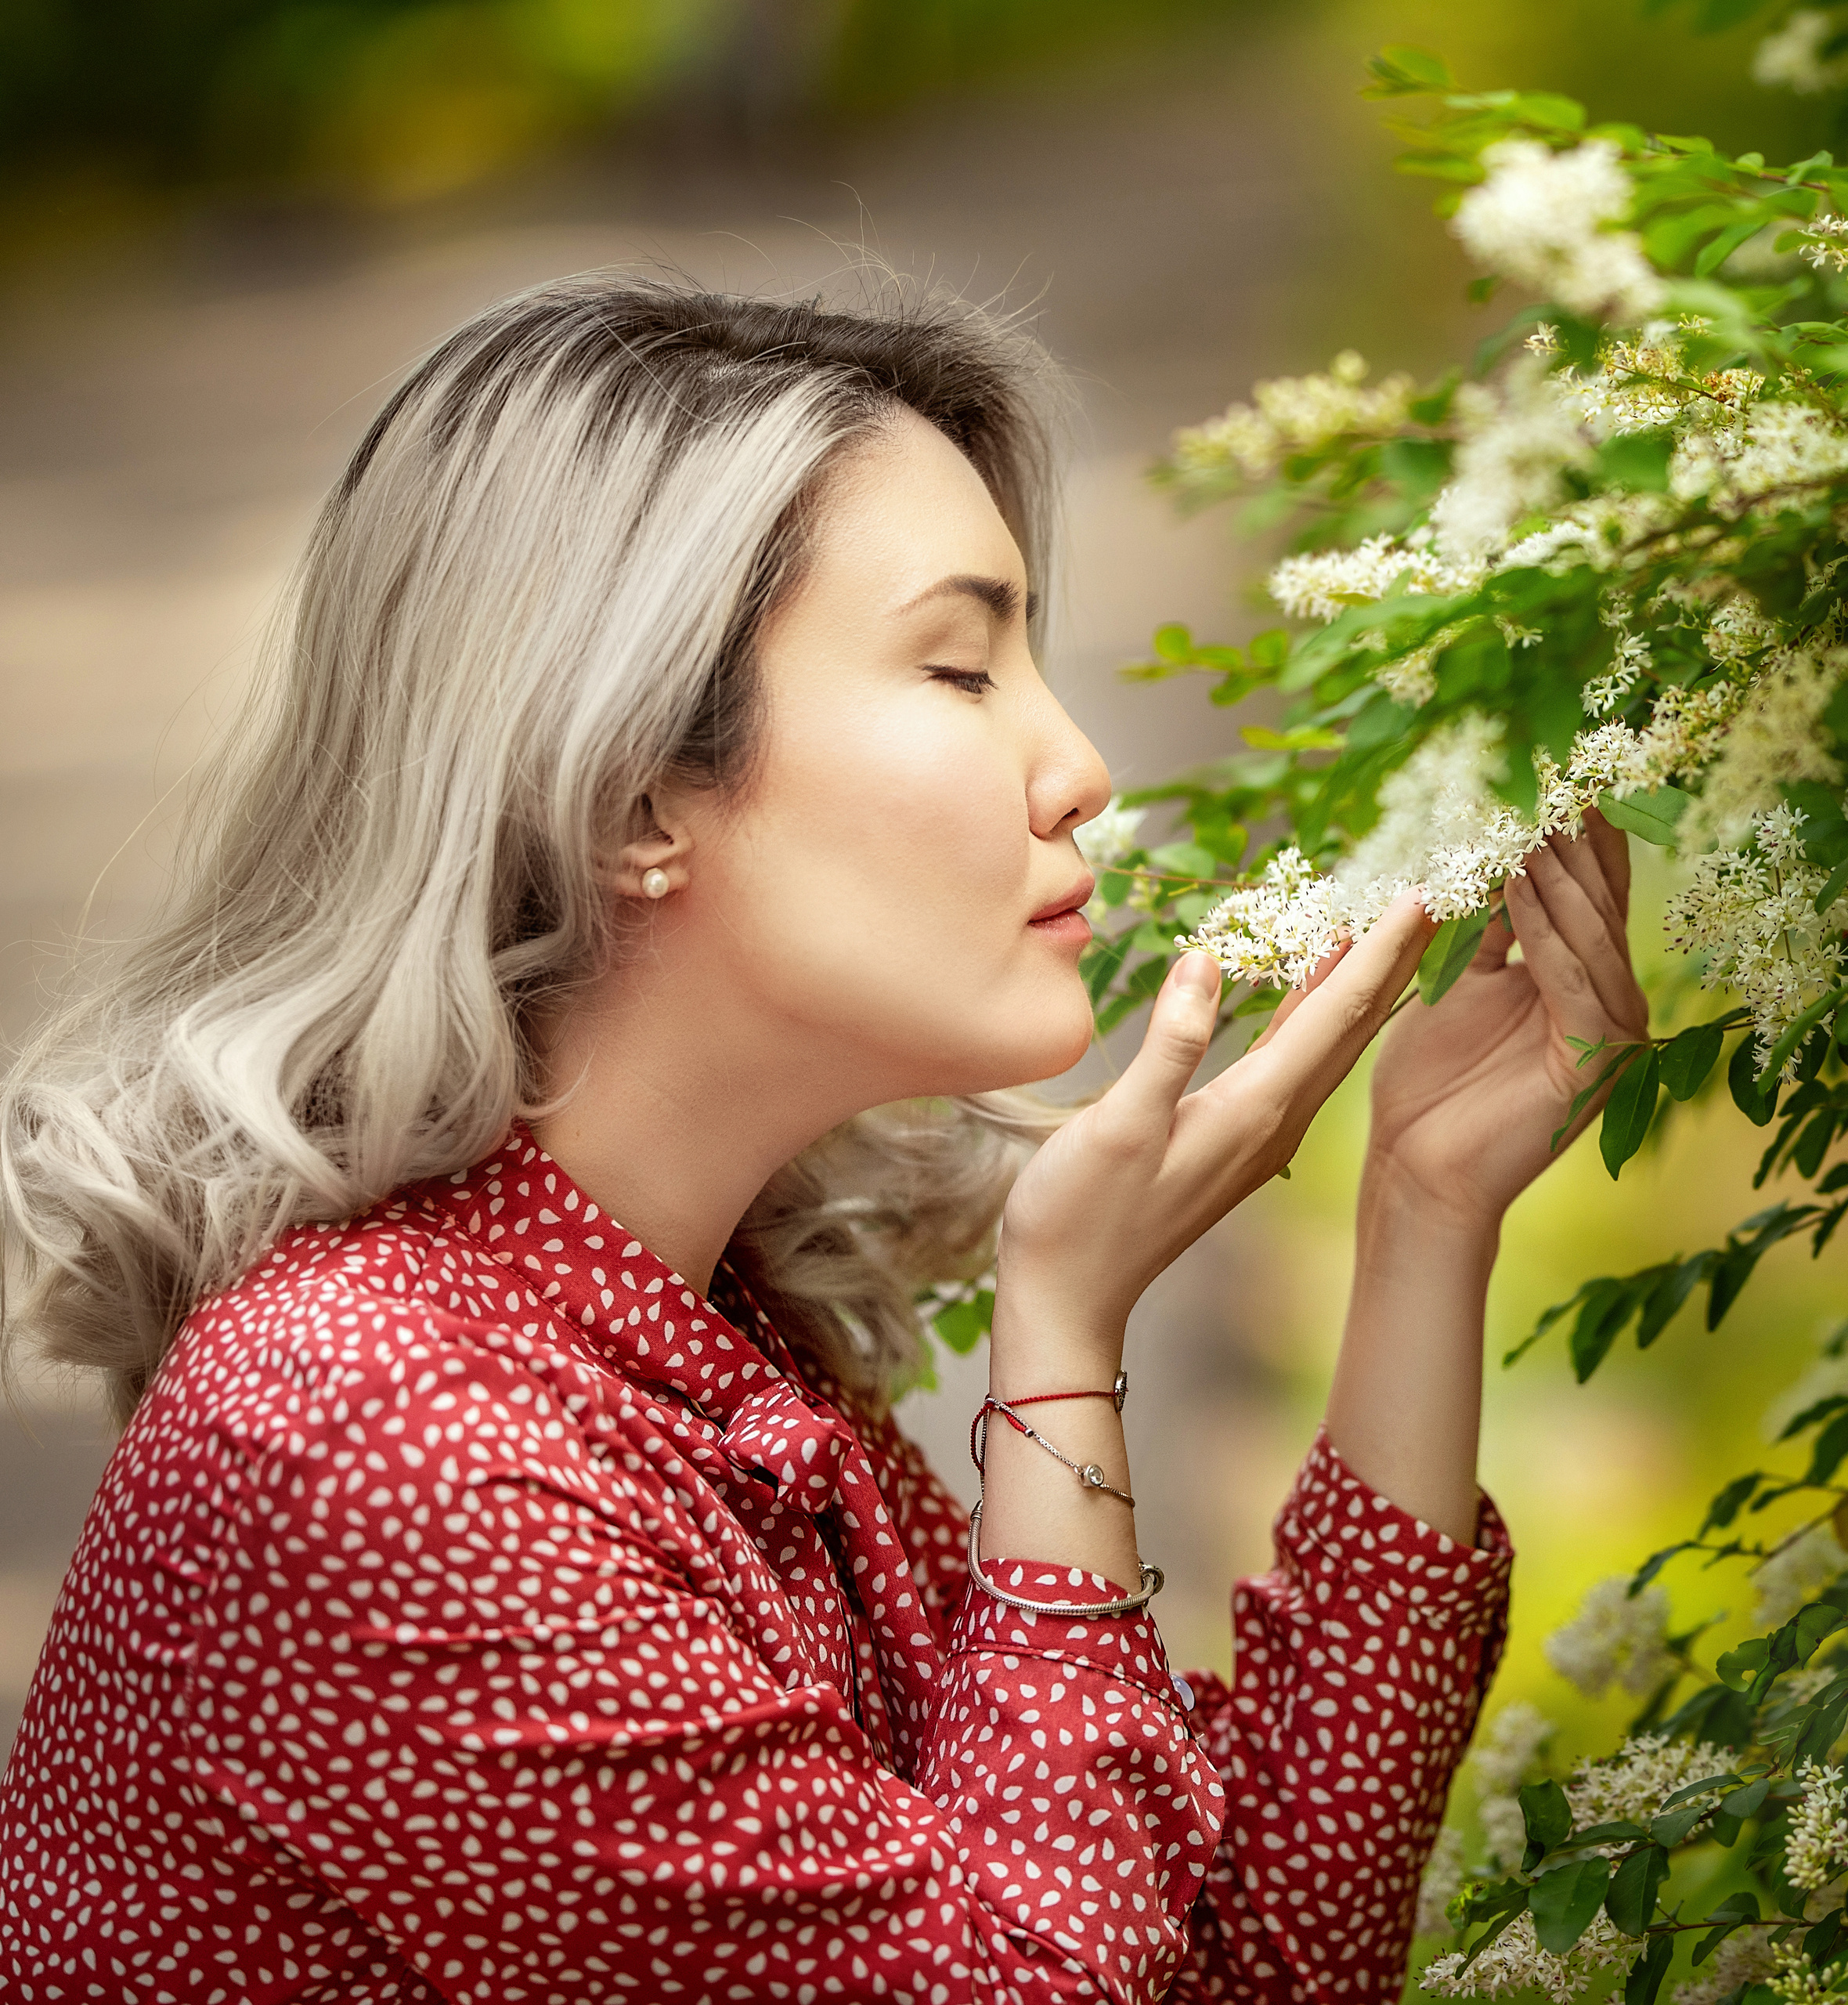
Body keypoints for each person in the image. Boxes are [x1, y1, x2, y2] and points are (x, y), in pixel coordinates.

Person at [0, 277, 1646, 2004]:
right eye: (957, 665)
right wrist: (1060, 1344)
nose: (1080, 766)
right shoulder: (379, 1439)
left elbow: (1238, 1964)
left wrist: (1423, 1209)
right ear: (635, 790)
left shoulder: (704, 1343)